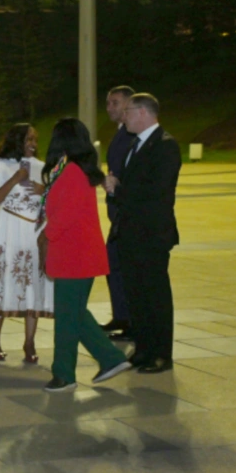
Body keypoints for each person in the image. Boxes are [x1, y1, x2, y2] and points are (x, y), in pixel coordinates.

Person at [39, 118, 133, 392]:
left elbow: (65, 214)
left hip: (74, 256)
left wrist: (45, 235)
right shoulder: (75, 169)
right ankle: (111, 358)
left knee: (68, 318)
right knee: (74, 314)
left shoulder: (72, 172)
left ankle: (64, 375)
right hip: (76, 254)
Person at [104, 93, 181, 373]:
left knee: (155, 296)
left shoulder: (165, 145)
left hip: (151, 234)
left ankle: (161, 353)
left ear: (143, 113)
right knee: (136, 295)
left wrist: (118, 188)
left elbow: (157, 191)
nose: (123, 117)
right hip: (130, 232)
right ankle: (144, 348)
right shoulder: (135, 144)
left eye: (128, 111)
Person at [0, 123, 53, 363]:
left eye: (35, 140)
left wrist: (44, 190)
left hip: (34, 232)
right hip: (8, 232)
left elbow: (54, 201)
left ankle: (30, 342)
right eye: (28, 140)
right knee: (3, 283)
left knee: (32, 285)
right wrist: (15, 179)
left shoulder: (42, 167)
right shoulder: (0, 167)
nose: (33, 144)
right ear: (17, 141)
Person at [102, 86, 136, 339]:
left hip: (128, 214)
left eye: (115, 102)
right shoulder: (120, 133)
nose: (109, 108)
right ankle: (121, 316)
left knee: (122, 266)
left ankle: (130, 321)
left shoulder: (133, 135)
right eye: (108, 103)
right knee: (112, 264)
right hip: (117, 213)